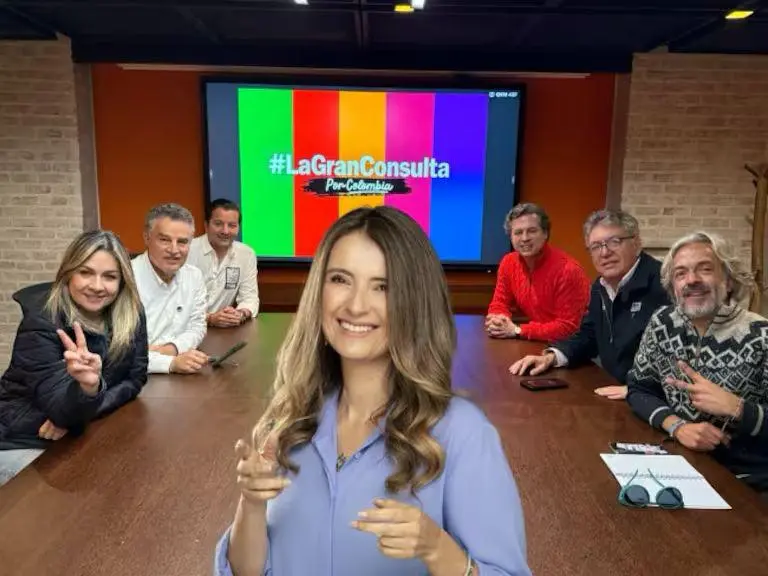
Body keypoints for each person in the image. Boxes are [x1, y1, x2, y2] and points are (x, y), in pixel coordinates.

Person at [215, 206, 530, 576]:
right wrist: (252, 503)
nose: (356, 305)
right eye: (340, 279)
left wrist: (439, 550)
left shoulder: (463, 433)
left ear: (415, 302)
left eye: (383, 287)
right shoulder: (290, 415)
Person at [627, 231, 768, 493]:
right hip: (681, 460)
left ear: (728, 280)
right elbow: (639, 389)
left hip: (748, 481)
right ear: (673, 287)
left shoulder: (761, 335)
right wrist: (677, 426)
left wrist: (737, 408)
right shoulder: (662, 323)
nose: (691, 280)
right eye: (680, 273)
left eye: (705, 269)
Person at [0, 230, 147, 449]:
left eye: (110, 276)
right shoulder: (41, 322)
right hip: (25, 438)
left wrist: (90, 397)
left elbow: (135, 379)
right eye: (85, 272)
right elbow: (58, 408)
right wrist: (86, 394)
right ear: (68, 274)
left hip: (78, 429)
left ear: (122, 281)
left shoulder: (131, 313)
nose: (97, 286)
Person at [509, 210, 669, 400]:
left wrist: (638, 390)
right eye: (596, 246)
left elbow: (683, 358)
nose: (605, 253)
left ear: (636, 242)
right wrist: (551, 357)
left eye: (614, 242)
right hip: (614, 391)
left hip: (652, 400)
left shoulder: (666, 285)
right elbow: (589, 334)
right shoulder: (600, 287)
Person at [486, 203, 590, 342]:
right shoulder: (508, 262)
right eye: (518, 232)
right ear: (510, 236)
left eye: (532, 231)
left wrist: (518, 330)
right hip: (539, 341)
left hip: (574, 346)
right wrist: (498, 319)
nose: (525, 238)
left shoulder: (569, 270)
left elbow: (568, 328)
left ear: (545, 233)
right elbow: (500, 302)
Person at [132, 203, 208, 374]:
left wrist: (172, 349)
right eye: (164, 240)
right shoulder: (125, 278)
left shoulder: (194, 276)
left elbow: (197, 326)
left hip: (180, 369)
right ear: (147, 238)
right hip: (134, 377)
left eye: (182, 242)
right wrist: (170, 362)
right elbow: (119, 352)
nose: (174, 250)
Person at [187, 199, 260, 328]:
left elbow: (249, 298)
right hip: (184, 330)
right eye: (218, 224)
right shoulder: (186, 251)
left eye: (232, 225)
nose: (225, 231)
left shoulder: (246, 254)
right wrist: (209, 318)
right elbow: (175, 306)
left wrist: (240, 314)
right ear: (206, 225)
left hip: (222, 330)